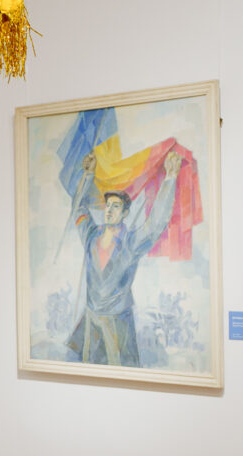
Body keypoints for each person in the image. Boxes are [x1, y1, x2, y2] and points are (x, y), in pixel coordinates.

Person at [66, 149, 182, 366]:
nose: (109, 210)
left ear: (125, 213)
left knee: (123, 374)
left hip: (118, 325)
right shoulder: (90, 235)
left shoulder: (131, 243)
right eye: (108, 206)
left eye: (116, 206)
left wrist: (170, 178)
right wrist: (88, 175)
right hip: (92, 323)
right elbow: (78, 209)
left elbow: (155, 224)